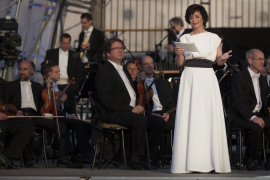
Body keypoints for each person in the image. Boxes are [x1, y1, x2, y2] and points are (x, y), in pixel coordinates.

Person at [171, 4, 231, 173]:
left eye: (196, 16)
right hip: (189, 76)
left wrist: (223, 59)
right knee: (190, 116)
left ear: (203, 18)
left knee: (207, 116)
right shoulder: (184, 38)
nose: (194, 20)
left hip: (207, 76)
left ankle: (211, 161)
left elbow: (218, 61)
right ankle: (189, 163)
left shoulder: (213, 38)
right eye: (190, 17)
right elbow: (180, 64)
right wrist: (179, 53)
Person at [94, 38, 164, 169]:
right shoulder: (104, 71)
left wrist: (139, 84)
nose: (121, 50)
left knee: (158, 122)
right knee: (141, 121)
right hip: (112, 113)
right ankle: (135, 159)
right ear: (108, 53)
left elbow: (130, 93)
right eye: (117, 48)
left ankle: (148, 156)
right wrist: (130, 109)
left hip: (128, 111)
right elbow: (107, 100)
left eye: (122, 48)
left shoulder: (124, 70)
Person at [3, 60, 82, 168]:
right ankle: (15, 158)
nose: (22, 72)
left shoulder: (37, 86)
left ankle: (63, 158)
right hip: (19, 115)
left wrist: (49, 91)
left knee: (61, 126)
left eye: (25, 69)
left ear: (32, 71)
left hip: (35, 115)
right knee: (28, 127)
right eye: (20, 69)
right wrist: (14, 112)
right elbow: (4, 105)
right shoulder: (10, 86)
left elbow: (45, 103)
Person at [43, 62, 92, 163]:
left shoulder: (58, 88)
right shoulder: (45, 89)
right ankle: (86, 154)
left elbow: (62, 107)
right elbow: (50, 111)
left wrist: (71, 114)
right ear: (49, 74)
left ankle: (77, 151)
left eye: (59, 71)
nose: (59, 74)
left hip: (61, 115)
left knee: (88, 124)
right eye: (56, 72)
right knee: (78, 124)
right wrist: (67, 115)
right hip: (51, 117)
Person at [229, 49, 270, 171]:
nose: (263, 62)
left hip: (259, 114)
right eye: (260, 59)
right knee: (256, 127)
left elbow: (266, 100)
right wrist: (253, 117)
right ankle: (250, 159)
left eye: (263, 59)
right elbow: (238, 103)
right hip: (241, 116)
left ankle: (267, 159)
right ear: (250, 61)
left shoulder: (262, 79)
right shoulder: (239, 78)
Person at [43, 33, 82, 114]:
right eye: (64, 43)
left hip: (69, 85)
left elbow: (79, 72)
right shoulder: (51, 53)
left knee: (69, 109)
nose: (65, 45)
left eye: (68, 43)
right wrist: (47, 77)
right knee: (54, 108)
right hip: (54, 84)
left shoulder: (75, 55)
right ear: (60, 42)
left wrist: (75, 86)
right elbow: (44, 67)